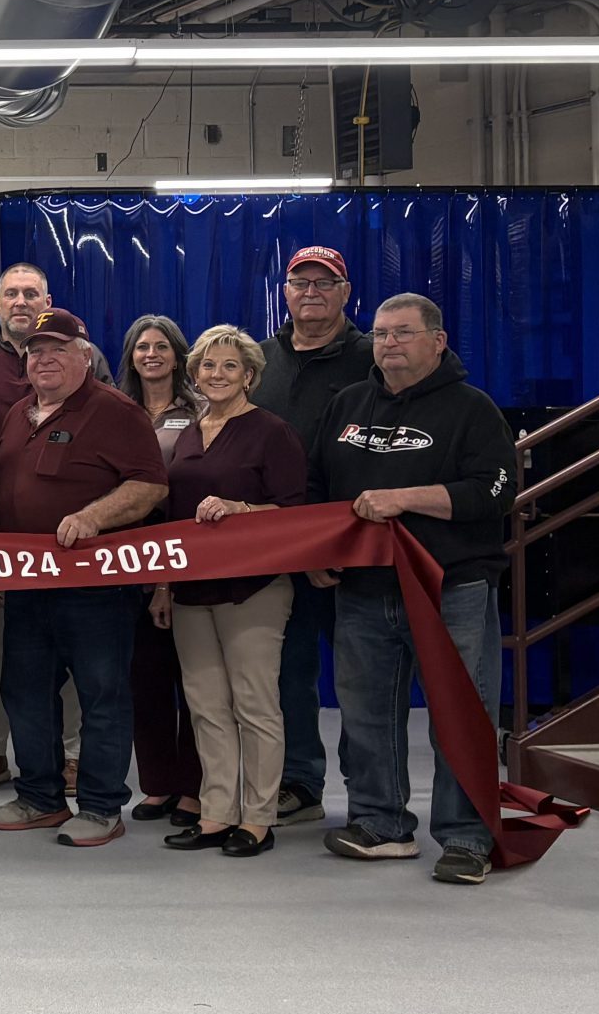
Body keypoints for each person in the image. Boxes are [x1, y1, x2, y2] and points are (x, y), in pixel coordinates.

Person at [307, 293, 517, 886]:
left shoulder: (473, 410)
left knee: (460, 712)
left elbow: (494, 492)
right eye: (379, 334)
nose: (389, 343)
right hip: (364, 590)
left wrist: (406, 498)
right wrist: (318, 552)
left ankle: (467, 837)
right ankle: (380, 824)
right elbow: (316, 484)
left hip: (452, 588)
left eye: (402, 333)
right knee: (366, 713)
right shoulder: (347, 405)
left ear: (438, 341)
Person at [0, 310, 167, 849]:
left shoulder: (115, 411)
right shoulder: (18, 414)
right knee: (25, 693)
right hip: (26, 585)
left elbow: (149, 486)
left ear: (85, 355)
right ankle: (39, 797)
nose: (45, 359)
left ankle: (103, 806)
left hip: (95, 589)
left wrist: (94, 517)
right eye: (35, 351)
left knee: (102, 694)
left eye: (58, 348)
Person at [0, 263, 107, 795]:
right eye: (11, 293)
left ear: (47, 300)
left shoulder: (85, 356)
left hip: (66, 533)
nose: (21, 301)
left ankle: (71, 753)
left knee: (64, 649)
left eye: (30, 293)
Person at [155, 325, 308, 859]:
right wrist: (163, 585)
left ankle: (259, 818)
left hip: (254, 589)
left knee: (255, 705)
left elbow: (295, 514)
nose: (215, 375)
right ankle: (217, 812)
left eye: (228, 367)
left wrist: (242, 510)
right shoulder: (190, 433)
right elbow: (174, 518)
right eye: (207, 367)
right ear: (193, 374)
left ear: (249, 375)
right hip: (192, 589)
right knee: (205, 707)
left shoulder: (272, 432)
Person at [255, 246, 374, 830]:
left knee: (359, 676)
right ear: (285, 290)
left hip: (353, 547)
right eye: (300, 281)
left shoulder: (372, 358)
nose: (311, 292)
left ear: (345, 293)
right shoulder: (260, 359)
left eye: (324, 283)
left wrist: (342, 539)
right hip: (279, 547)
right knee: (288, 672)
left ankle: (370, 794)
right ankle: (300, 782)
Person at [119, 316, 204, 828]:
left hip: (186, 553)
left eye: (161, 347)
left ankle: (193, 789)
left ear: (177, 355)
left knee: (193, 681)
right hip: (128, 558)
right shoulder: (115, 409)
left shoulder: (200, 410)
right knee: (144, 681)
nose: (151, 354)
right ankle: (157, 784)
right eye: (141, 347)